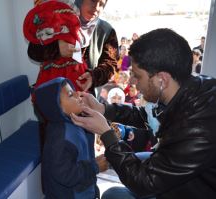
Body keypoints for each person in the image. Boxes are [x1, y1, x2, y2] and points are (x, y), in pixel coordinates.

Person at [70, 28, 216, 199]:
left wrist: (106, 134)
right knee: (133, 161)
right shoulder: (188, 88)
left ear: (162, 79)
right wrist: (104, 109)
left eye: (137, 76)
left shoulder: (197, 129)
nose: (132, 81)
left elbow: (144, 183)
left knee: (113, 195)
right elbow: (147, 116)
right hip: (188, 173)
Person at [34, 77, 108, 199]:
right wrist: (95, 166)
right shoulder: (60, 138)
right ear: (56, 107)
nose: (77, 93)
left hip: (83, 188)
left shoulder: (74, 121)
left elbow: (83, 153)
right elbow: (65, 174)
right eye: (70, 94)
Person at [27, 0, 118, 94]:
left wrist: (93, 77)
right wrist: (57, 49)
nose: (96, 7)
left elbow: (111, 64)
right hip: (52, 95)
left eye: (102, 4)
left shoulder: (107, 31)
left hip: (84, 99)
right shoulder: (57, 18)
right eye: (93, 0)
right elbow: (33, 51)